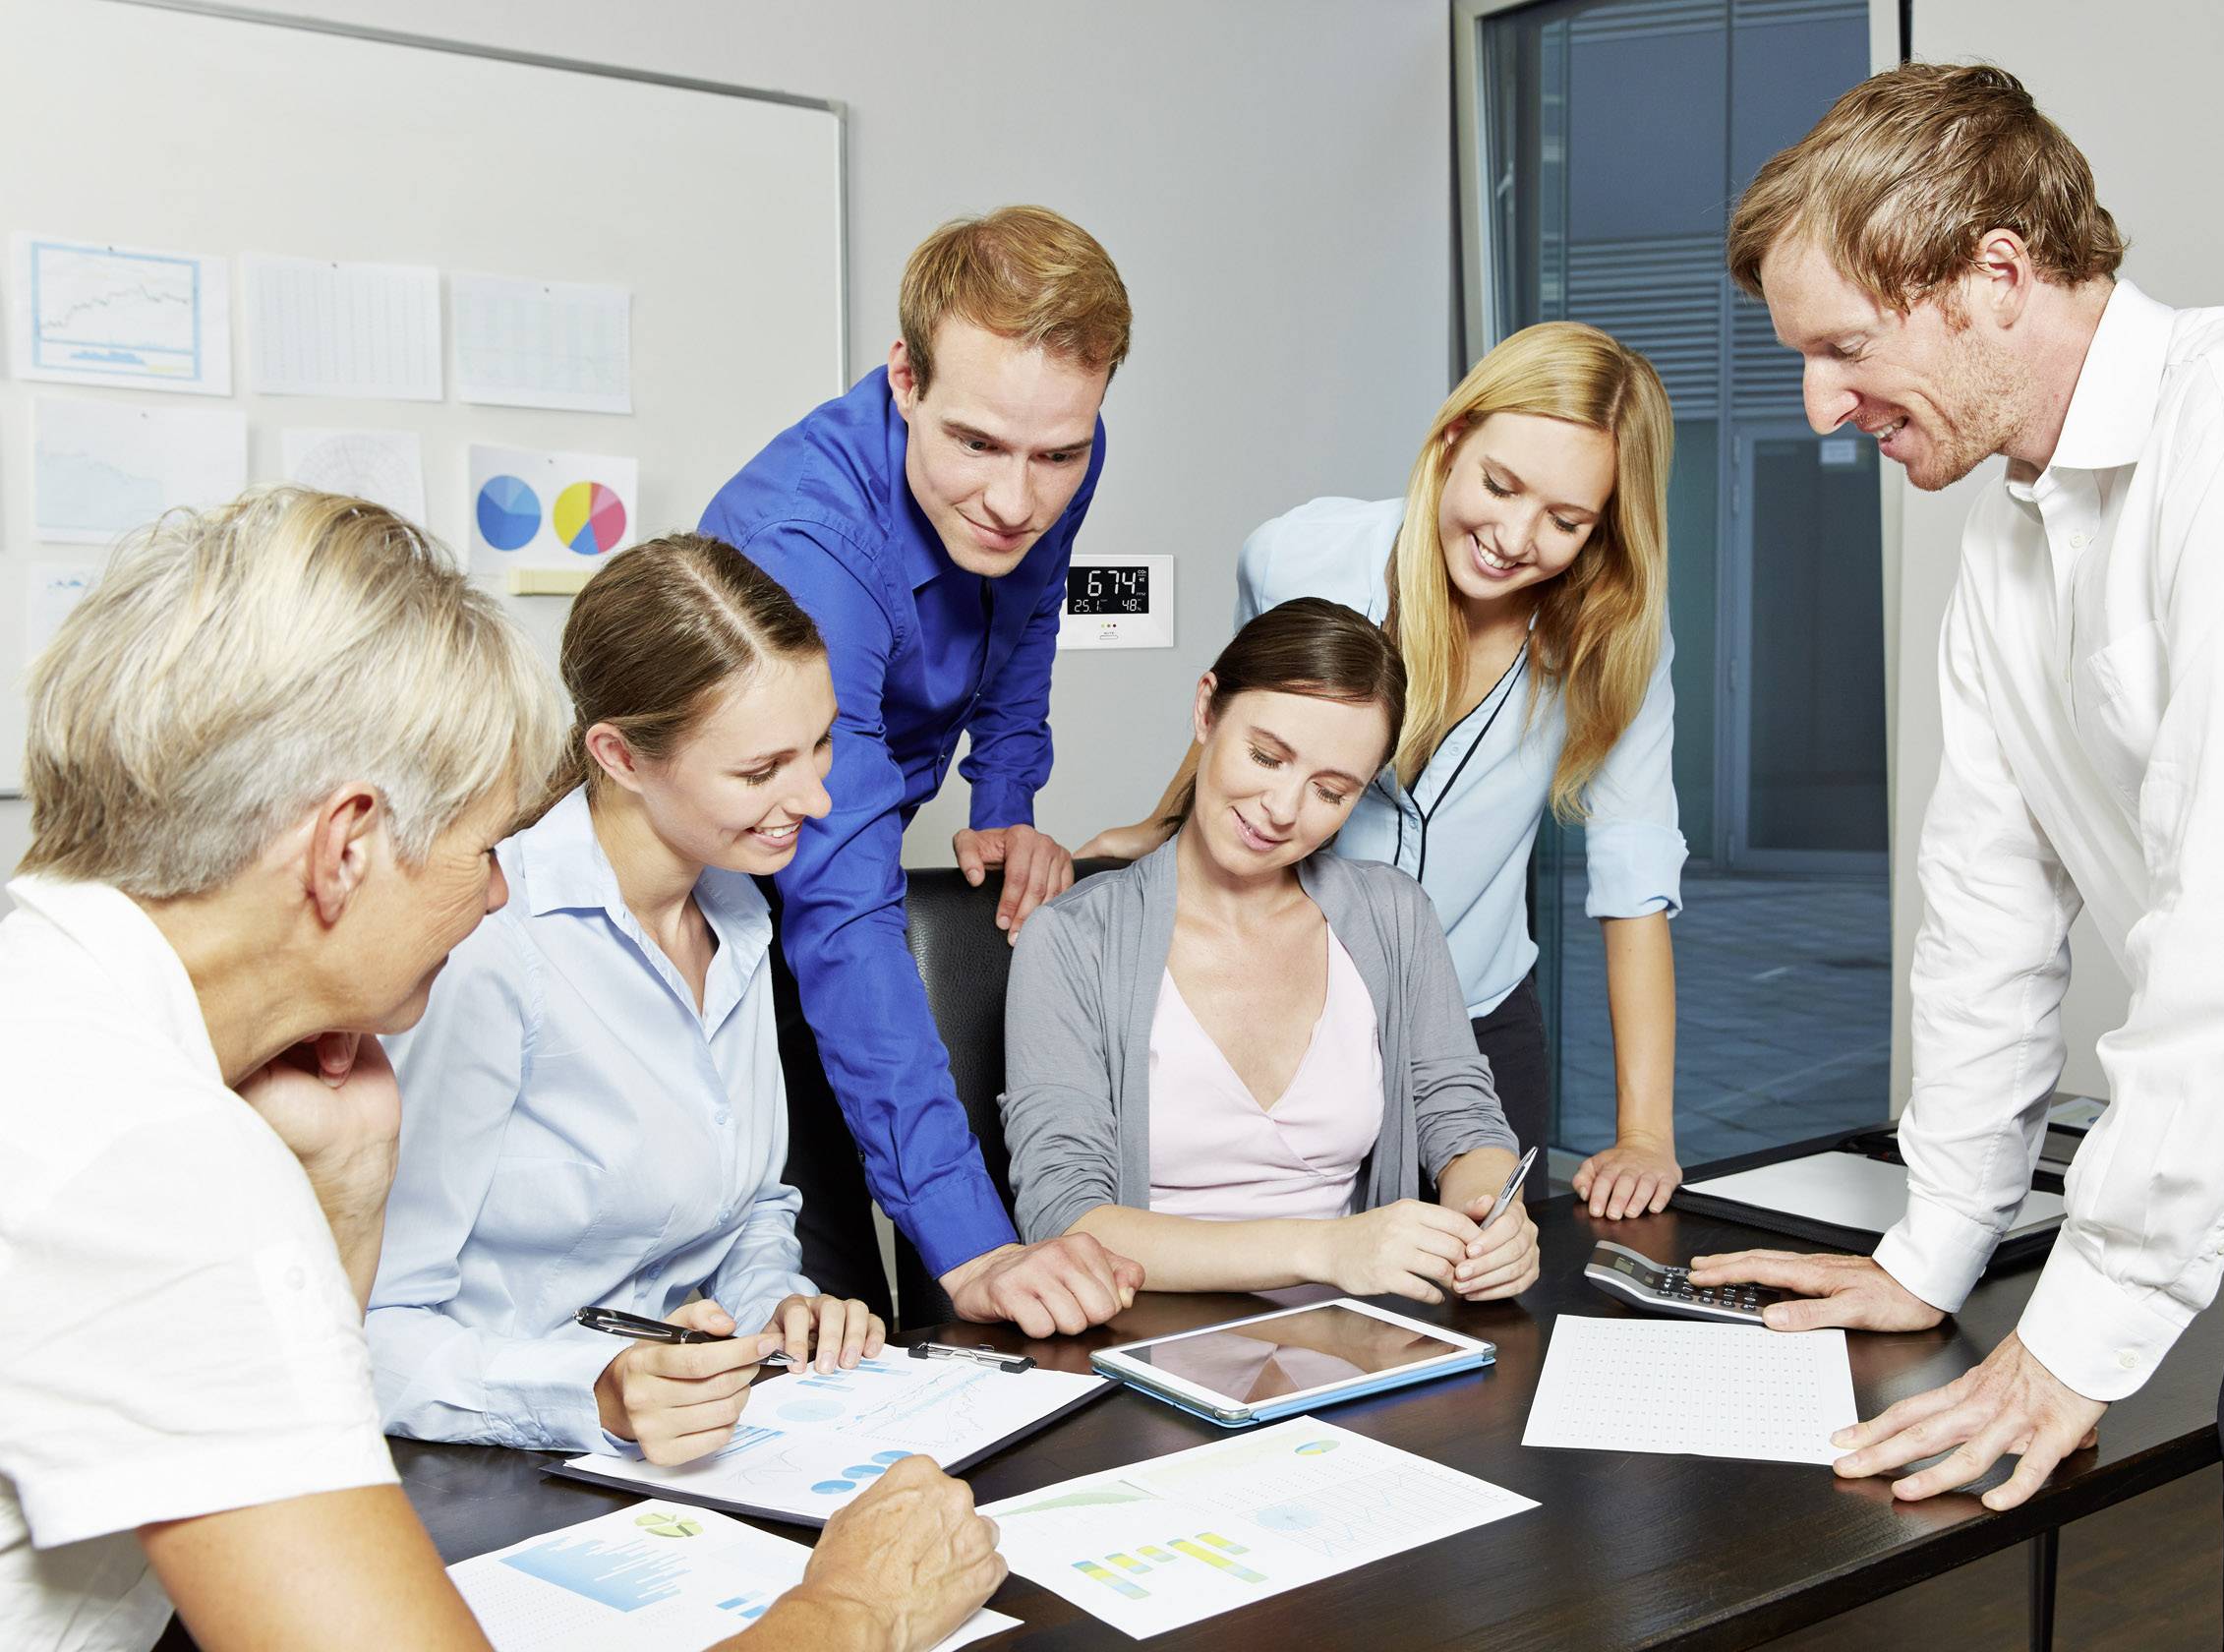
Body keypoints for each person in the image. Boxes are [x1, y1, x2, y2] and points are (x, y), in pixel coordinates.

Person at [1690, 62, 2224, 1645]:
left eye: (1842, 348)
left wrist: (2081, 1332)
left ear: (1994, 272)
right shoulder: (2008, 550)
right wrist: (1935, 1245)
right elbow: (1985, 915)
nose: (1822, 407)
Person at [0, 489, 1004, 1652]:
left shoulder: (64, 1015)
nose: (495, 889)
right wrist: (858, 1609)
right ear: (344, 848)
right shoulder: (158, 1160)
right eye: (483, 847)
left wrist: (344, 1193)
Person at [1083, 322, 1685, 1217]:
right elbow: (1247, 709)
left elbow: (1634, 872)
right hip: (1295, 1023)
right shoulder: (1299, 555)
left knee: (1489, 1286)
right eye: (1500, 485)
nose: (1514, 536)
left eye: (1565, 521)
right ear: (1452, 440)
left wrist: (1645, 1134)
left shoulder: (1616, 640)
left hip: (1476, 1028)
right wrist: (1162, 824)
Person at [702, 206, 1142, 1330]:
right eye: (978, 446)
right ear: (904, 378)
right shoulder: (808, 548)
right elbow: (843, 909)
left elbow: (1028, 609)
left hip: (850, 861)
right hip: (723, 910)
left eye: (1059, 456)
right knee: (826, 1307)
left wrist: (1005, 796)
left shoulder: (1050, 446)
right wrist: (977, 1248)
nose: (1017, 499)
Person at [371, 533, 887, 1465]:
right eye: (761, 771)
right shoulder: (490, 943)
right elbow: (372, 1327)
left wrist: (779, 1304)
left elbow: (749, 1205)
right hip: (493, 1460)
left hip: (694, 1443)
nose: (815, 799)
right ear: (620, 756)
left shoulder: (738, 912)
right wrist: (591, 1394)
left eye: (821, 745)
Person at [1005, 599, 1540, 1302]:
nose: (1283, 810)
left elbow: (1459, 1112)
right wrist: (1324, 1249)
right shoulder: (1074, 939)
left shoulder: (1394, 915)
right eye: (1266, 756)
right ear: (1207, 711)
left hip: (1357, 1330)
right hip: (1149, 1335)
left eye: (1331, 791)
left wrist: (1493, 1213)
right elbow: (1063, 1216)